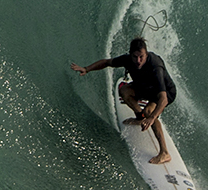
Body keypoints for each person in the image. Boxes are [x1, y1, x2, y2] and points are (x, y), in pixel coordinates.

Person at [72, 37, 176, 165]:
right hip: (145, 87)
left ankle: (164, 153)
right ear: (130, 54)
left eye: (141, 57)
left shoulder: (155, 66)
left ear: (146, 54)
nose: (138, 61)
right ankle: (140, 117)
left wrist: (152, 118)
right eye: (135, 57)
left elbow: (163, 99)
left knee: (149, 112)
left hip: (165, 92)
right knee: (124, 91)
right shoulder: (127, 60)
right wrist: (86, 69)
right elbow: (107, 62)